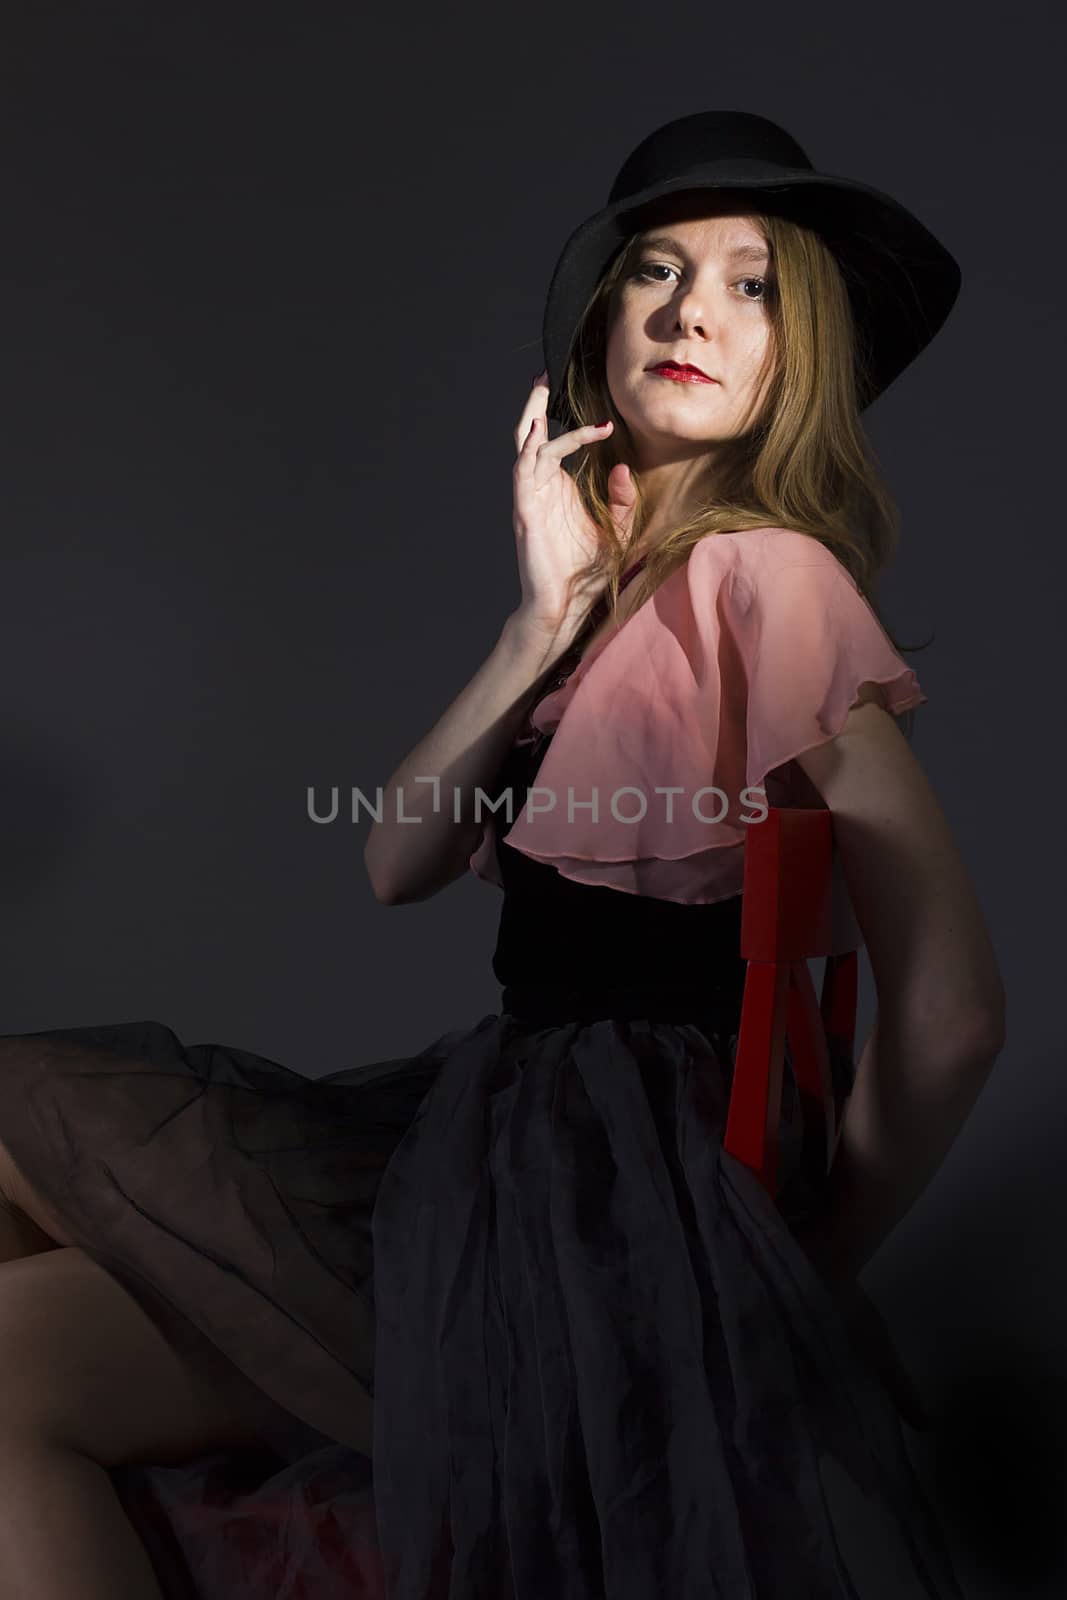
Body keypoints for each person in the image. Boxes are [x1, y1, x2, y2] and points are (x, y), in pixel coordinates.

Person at [0, 111, 1005, 1598]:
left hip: (582, 1219)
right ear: (606, 322)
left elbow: (952, 1013)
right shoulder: (605, 605)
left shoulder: (764, 574)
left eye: (750, 286)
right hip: (487, 1157)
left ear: (805, 354)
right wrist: (539, 620)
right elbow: (398, 860)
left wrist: (789, 1278)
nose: (687, 314)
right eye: (657, 272)